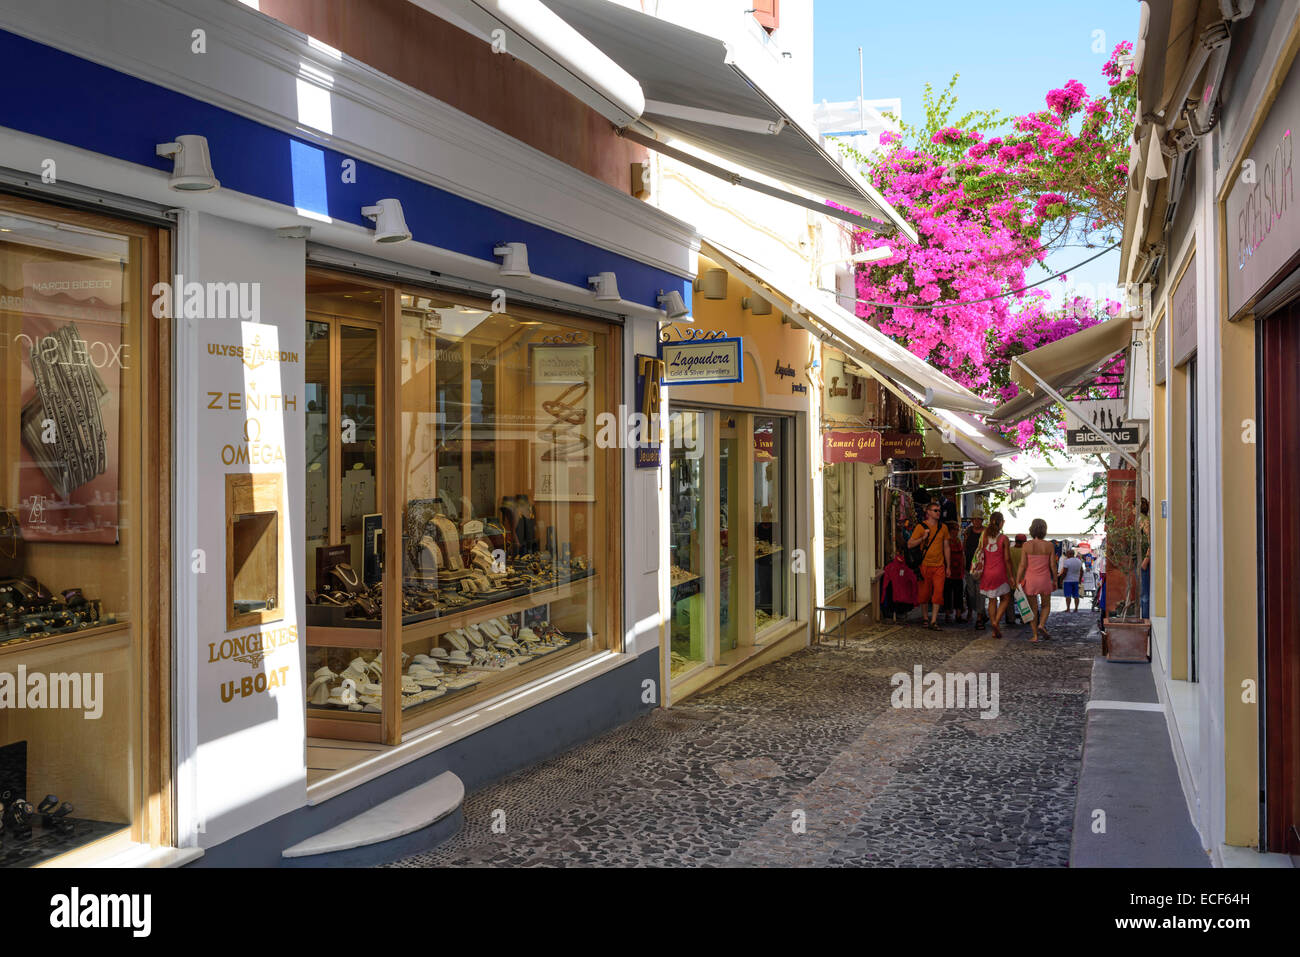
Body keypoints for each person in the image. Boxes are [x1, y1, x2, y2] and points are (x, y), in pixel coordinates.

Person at [907, 501, 949, 631]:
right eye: (935, 510)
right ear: (928, 512)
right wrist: (922, 538)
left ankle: (933, 620)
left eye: (939, 510)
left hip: (939, 566)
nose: (938, 513)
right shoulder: (921, 527)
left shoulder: (943, 528)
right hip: (924, 565)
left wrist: (948, 566)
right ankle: (925, 618)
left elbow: (946, 547)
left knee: (938, 593)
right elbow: (909, 544)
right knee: (924, 595)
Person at [1017, 518, 1058, 642]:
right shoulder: (1049, 545)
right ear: (1044, 530)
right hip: (1044, 579)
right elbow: (1052, 565)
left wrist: (1018, 580)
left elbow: (1022, 565)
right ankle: (1042, 624)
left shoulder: (1026, 545)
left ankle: (1035, 635)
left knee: (1032, 608)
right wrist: (1055, 580)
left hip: (1030, 580)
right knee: (1046, 605)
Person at [975, 511, 1012, 638]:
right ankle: (996, 621)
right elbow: (1007, 559)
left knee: (991, 600)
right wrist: (1011, 576)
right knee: (1006, 598)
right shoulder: (1004, 539)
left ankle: (993, 626)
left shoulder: (984, 536)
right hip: (1000, 573)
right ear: (1001, 523)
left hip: (986, 573)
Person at [962, 514, 988, 631]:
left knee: (980, 593)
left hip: (981, 568)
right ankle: (977, 611)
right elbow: (964, 547)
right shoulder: (968, 531)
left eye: (979, 519)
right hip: (968, 567)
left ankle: (979, 617)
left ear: (981, 521)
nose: (976, 521)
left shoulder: (986, 532)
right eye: (974, 519)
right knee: (971, 592)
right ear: (972, 520)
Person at [881, 552, 918, 621]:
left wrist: (883, 598)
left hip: (894, 598)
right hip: (905, 599)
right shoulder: (907, 570)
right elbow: (914, 583)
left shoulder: (889, 568)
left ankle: (895, 614)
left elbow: (885, 585)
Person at [943, 521, 966, 623]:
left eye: (957, 529)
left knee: (958, 593)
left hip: (958, 571)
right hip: (949, 570)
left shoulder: (958, 541)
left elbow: (962, 554)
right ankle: (947, 614)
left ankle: (958, 614)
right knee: (947, 593)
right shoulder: (946, 541)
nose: (956, 531)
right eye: (954, 529)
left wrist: (963, 566)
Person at [1006, 533, 1028, 625]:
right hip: (1022, 581)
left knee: (1009, 601)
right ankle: (1025, 619)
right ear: (1024, 542)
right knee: (1022, 601)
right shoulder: (1025, 552)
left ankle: (1011, 619)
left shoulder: (1009, 551)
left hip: (1010, 580)